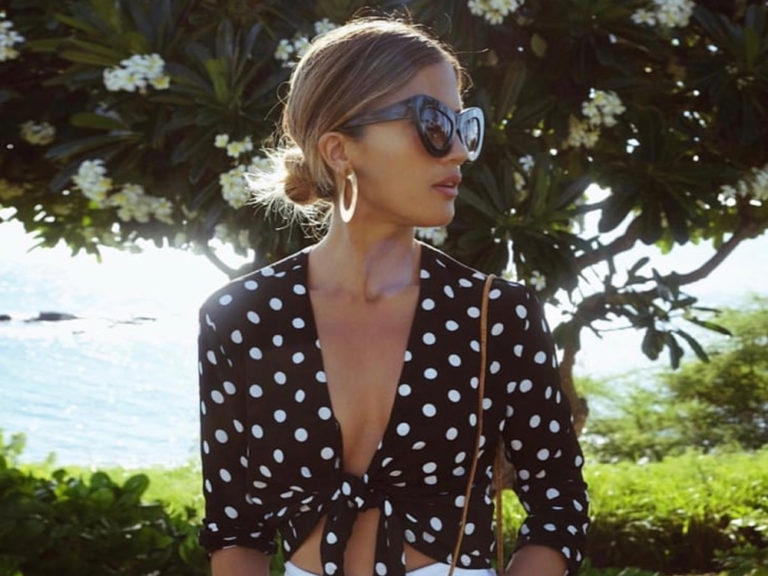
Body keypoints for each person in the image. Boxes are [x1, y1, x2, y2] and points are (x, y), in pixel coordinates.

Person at [197, 16, 589, 576]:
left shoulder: (494, 313)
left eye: (463, 126)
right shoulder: (243, 316)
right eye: (433, 124)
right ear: (339, 149)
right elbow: (235, 529)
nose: (459, 151)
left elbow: (559, 503)